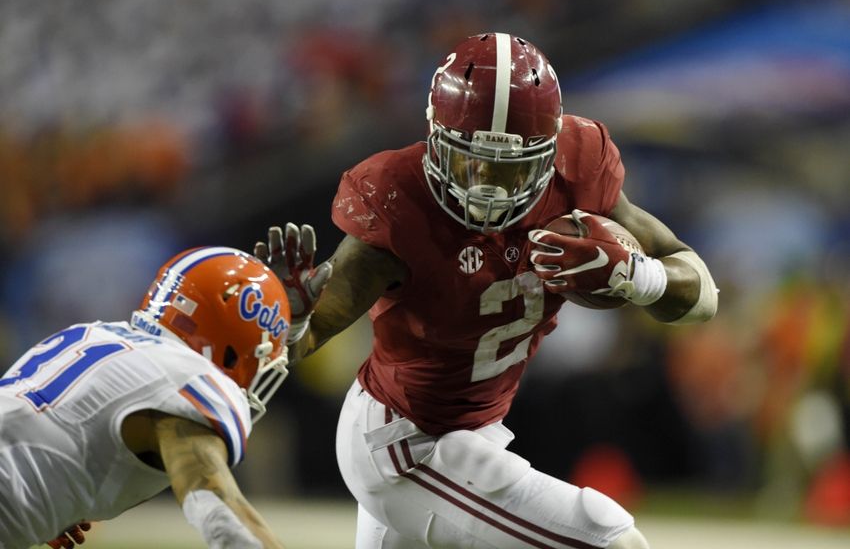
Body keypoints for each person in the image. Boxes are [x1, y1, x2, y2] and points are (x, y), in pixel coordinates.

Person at [257, 32, 718, 549]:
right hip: (405, 441)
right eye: (469, 160)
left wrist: (638, 276)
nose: (488, 186)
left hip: (465, 431)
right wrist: (289, 321)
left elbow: (701, 294)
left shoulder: (579, 170)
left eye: (510, 167)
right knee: (609, 540)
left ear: (550, 151)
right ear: (435, 139)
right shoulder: (398, 201)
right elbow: (307, 334)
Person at [0, 246, 292, 549]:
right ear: (235, 347)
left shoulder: (91, 334)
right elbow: (220, 511)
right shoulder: (189, 379)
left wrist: (44, 486)